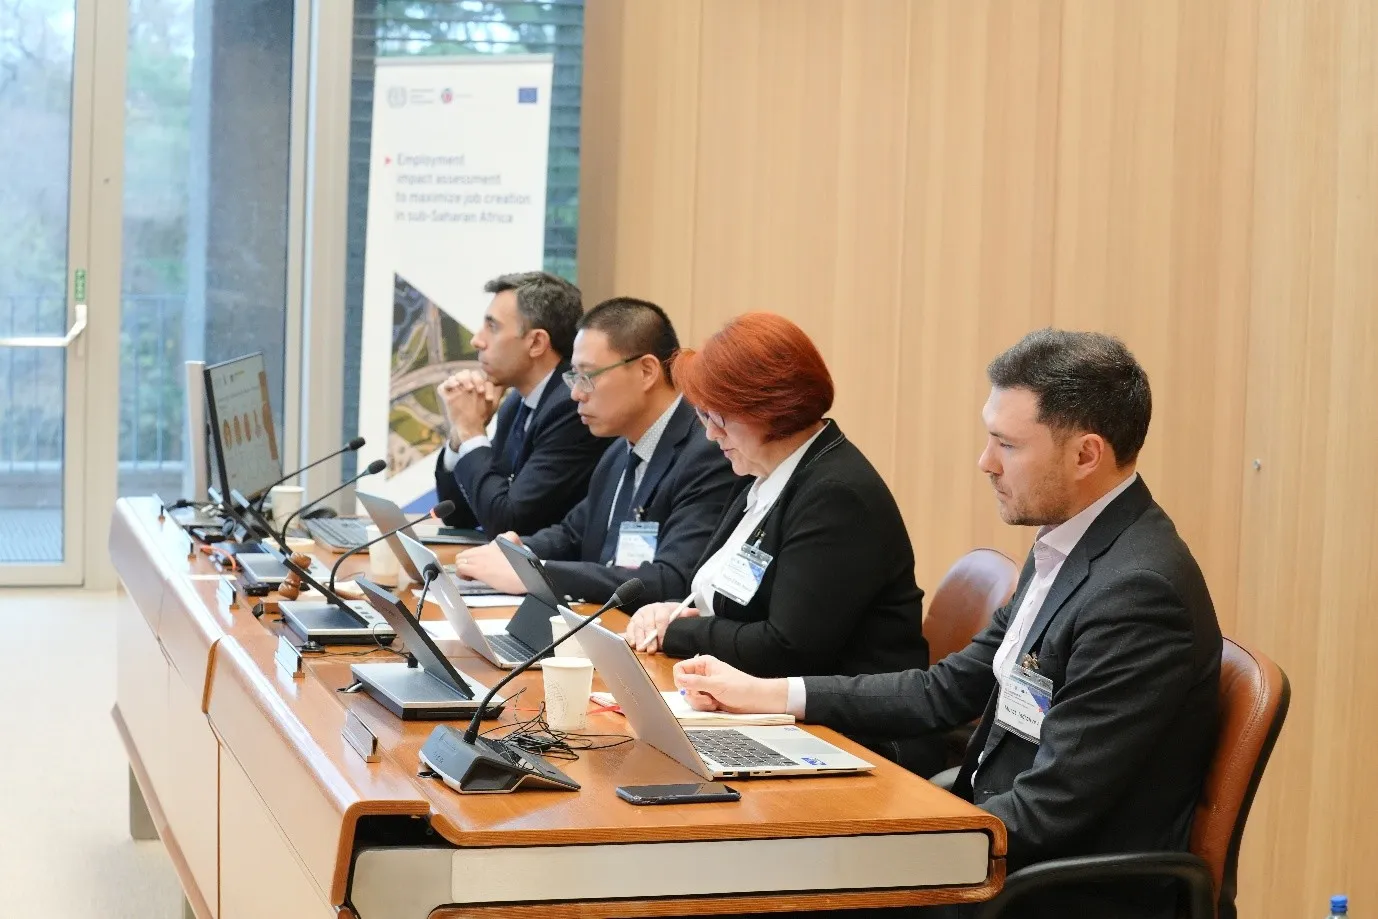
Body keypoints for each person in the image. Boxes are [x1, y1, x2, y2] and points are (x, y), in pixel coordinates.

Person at [674, 329, 1223, 919]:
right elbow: (946, 689)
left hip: (1049, 890)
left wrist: (889, 839)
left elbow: (1053, 809)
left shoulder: (1139, 594)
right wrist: (765, 694)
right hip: (990, 841)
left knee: (759, 882)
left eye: (1006, 445)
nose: (984, 463)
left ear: (1086, 455)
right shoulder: (1070, 542)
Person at [623, 312, 936, 771]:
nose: (710, 434)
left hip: (858, 739)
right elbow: (733, 600)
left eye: (718, 418)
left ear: (767, 407)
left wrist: (679, 631)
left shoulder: (835, 494)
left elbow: (786, 647)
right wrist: (672, 610)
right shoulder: (767, 476)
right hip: (772, 712)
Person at [455, 298, 736, 605]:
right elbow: (573, 534)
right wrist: (522, 550)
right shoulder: (618, 451)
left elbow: (671, 579)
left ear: (646, 371)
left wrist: (537, 572)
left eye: (587, 376)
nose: (576, 393)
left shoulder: (708, 451)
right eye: (573, 377)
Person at [433, 272, 612, 534]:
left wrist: (472, 430)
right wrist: (460, 436)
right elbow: (458, 514)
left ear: (537, 342)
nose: (476, 340)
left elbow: (509, 523)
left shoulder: (572, 408)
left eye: (492, 327)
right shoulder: (516, 403)